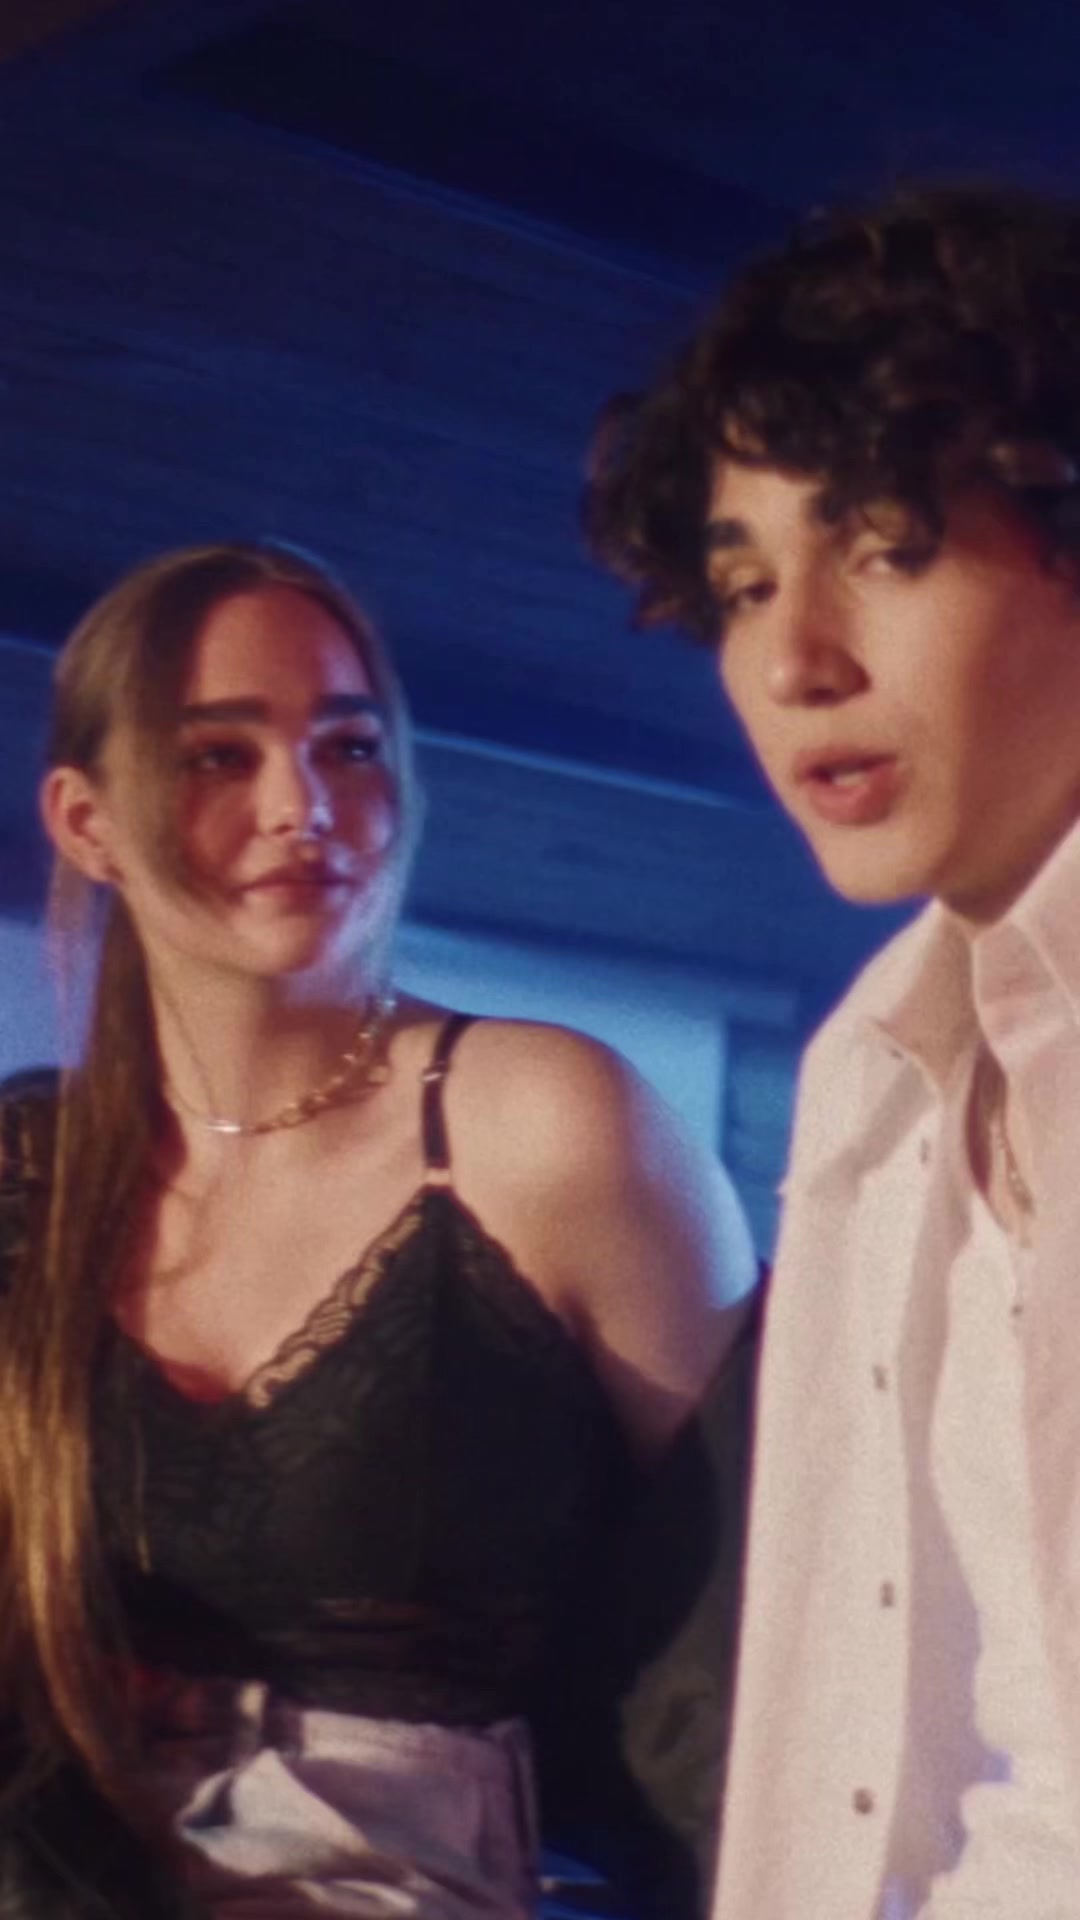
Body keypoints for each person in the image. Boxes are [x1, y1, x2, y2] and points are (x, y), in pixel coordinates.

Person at [0, 538, 757, 1918]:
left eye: (348, 748)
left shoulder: (550, 1125)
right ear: (85, 822)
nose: (302, 806)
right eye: (218, 755)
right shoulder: (25, 1171)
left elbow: (769, 1620)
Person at [585, 181, 1080, 1917]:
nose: (793, 659)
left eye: (884, 548)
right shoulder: (869, 1074)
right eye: (742, 585)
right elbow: (851, 1738)